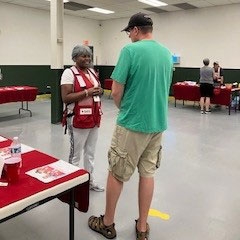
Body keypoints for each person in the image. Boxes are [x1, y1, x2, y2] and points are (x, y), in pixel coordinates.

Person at [88, 13, 173, 240]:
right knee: (148, 173)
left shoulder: (130, 52)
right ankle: (142, 227)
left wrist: (125, 108)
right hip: (157, 124)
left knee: (117, 173)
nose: (128, 37)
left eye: (128, 32)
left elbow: (116, 91)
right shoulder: (166, 54)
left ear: (135, 30)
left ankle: (107, 223)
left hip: (132, 124)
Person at [61, 45, 104, 192]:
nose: (87, 59)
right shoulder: (69, 73)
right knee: (75, 154)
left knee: (90, 152)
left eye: (88, 56)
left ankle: (90, 180)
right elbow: (65, 98)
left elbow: (97, 91)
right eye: (83, 56)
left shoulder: (92, 72)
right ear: (74, 58)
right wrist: (87, 92)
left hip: (94, 118)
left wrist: (100, 90)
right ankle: (72, 184)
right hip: (77, 120)